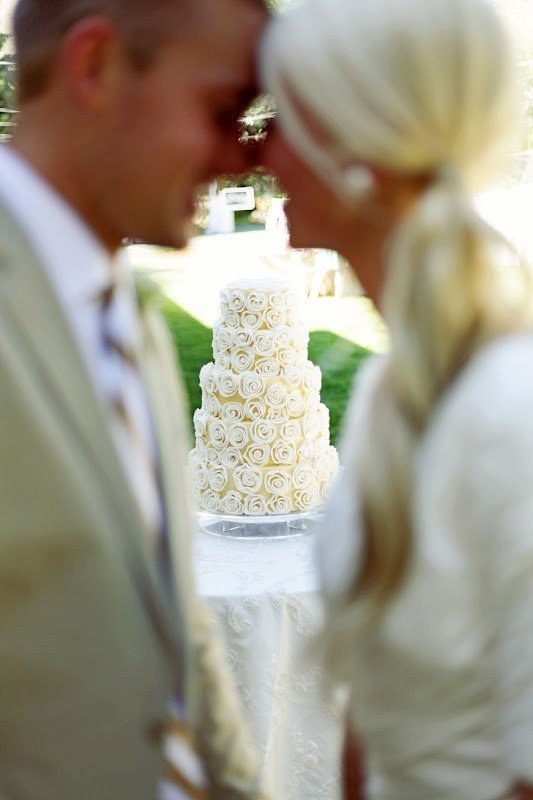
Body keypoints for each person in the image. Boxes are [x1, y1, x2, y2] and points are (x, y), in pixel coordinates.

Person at [260, 0, 533, 797]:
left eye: (284, 121)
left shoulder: (512, 416)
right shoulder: (395, 379)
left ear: (360, 161)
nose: (263, 153)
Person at [0, 0, 270, 798]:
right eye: (222, 110)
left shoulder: (132, 315)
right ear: (95, 68)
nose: (241, 160)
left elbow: (179, 634)